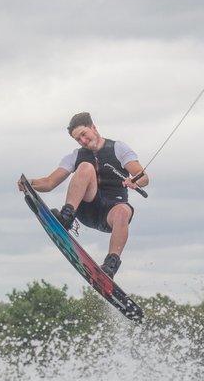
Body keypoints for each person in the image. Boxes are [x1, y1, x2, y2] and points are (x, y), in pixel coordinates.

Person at [19, 112, 149, 278]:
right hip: (87, 210)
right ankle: (66, 217)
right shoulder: (75, 156)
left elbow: (144, 177)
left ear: (93, 127)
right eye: (77, 139)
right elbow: (49, 183)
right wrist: (29, 183)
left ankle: (111, 264)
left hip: (112, 214)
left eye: (83, 134)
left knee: (124, 211)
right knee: (86, 167)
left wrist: (136, 180)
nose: (83, 141)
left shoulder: (119, 148)